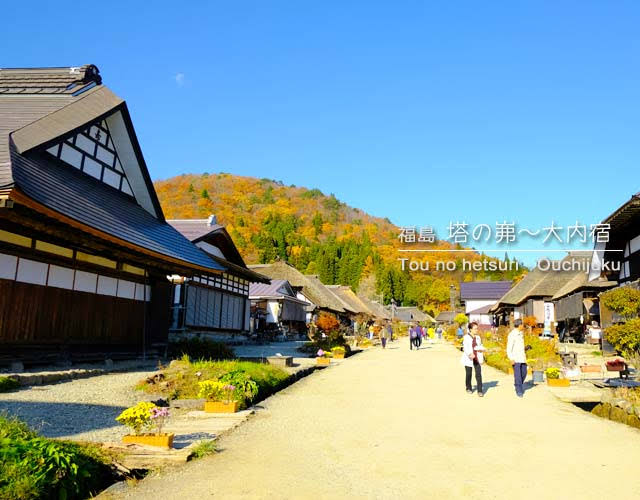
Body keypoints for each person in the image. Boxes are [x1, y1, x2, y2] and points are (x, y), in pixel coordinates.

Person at [460, 322, 485, 396]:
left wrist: (481, 350)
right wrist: (470, 354)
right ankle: (468, 388)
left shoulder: (478, 337)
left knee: (478, 374)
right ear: (470, 329)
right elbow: (465, 347)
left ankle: (480, 391)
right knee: (469, 374)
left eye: (477, 328)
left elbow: (480, 345)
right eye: (475, 329)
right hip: (469, 358)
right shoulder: (466, 337)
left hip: (477, 357)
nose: (477, 330)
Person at [507, 319, 527, 397]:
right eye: (522, 325)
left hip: (522, 357)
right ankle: (519, 390)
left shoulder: (521, 334)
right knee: (518, 375)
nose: (523, 326)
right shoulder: (512, 335)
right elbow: (509, 348)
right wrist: (511, 358)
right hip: (515, 359)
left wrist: (526, 348)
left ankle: (517, 384)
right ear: (519, 325)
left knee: (524, 373)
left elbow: (519, 346)